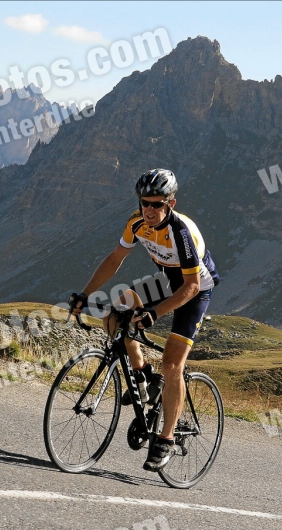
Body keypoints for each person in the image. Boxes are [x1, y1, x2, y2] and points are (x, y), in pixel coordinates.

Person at [69, 168, 218, 472]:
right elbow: (114, 259)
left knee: (173, 365)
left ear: (170, 204)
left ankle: (165, 440)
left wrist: (155, 313)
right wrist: (85, 294)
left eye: (155, 204)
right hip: (166, 280)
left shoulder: (181, 232)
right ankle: (142, 376)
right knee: (114, 314)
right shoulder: (136, 222)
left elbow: (189, 287)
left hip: (195, 290)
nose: (148, 210)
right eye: (144, 203)